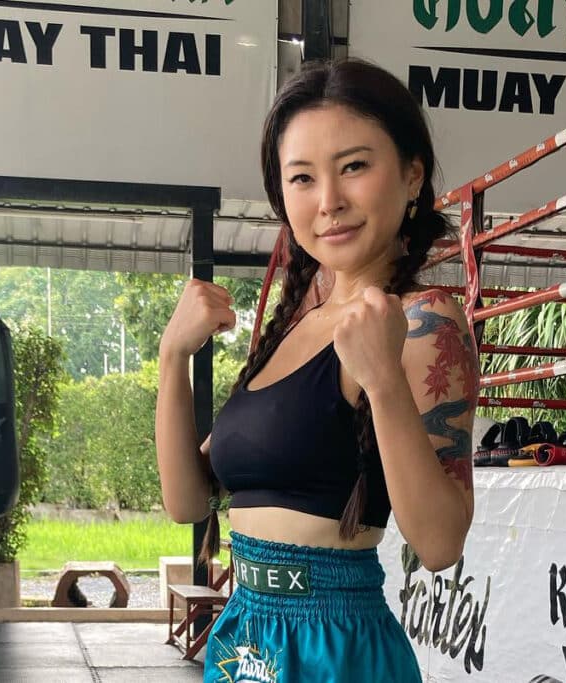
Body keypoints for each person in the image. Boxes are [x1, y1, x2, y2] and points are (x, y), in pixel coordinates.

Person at [155, 59, 478, 682]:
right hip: (247, 635)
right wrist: (173, 358)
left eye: (353, 166)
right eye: (302, 177)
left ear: (412, 174)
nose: (329, 202)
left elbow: (440, 546)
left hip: (336, 647)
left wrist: (383, 382)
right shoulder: (293, 323)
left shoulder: (423, 320)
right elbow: (187, 501)